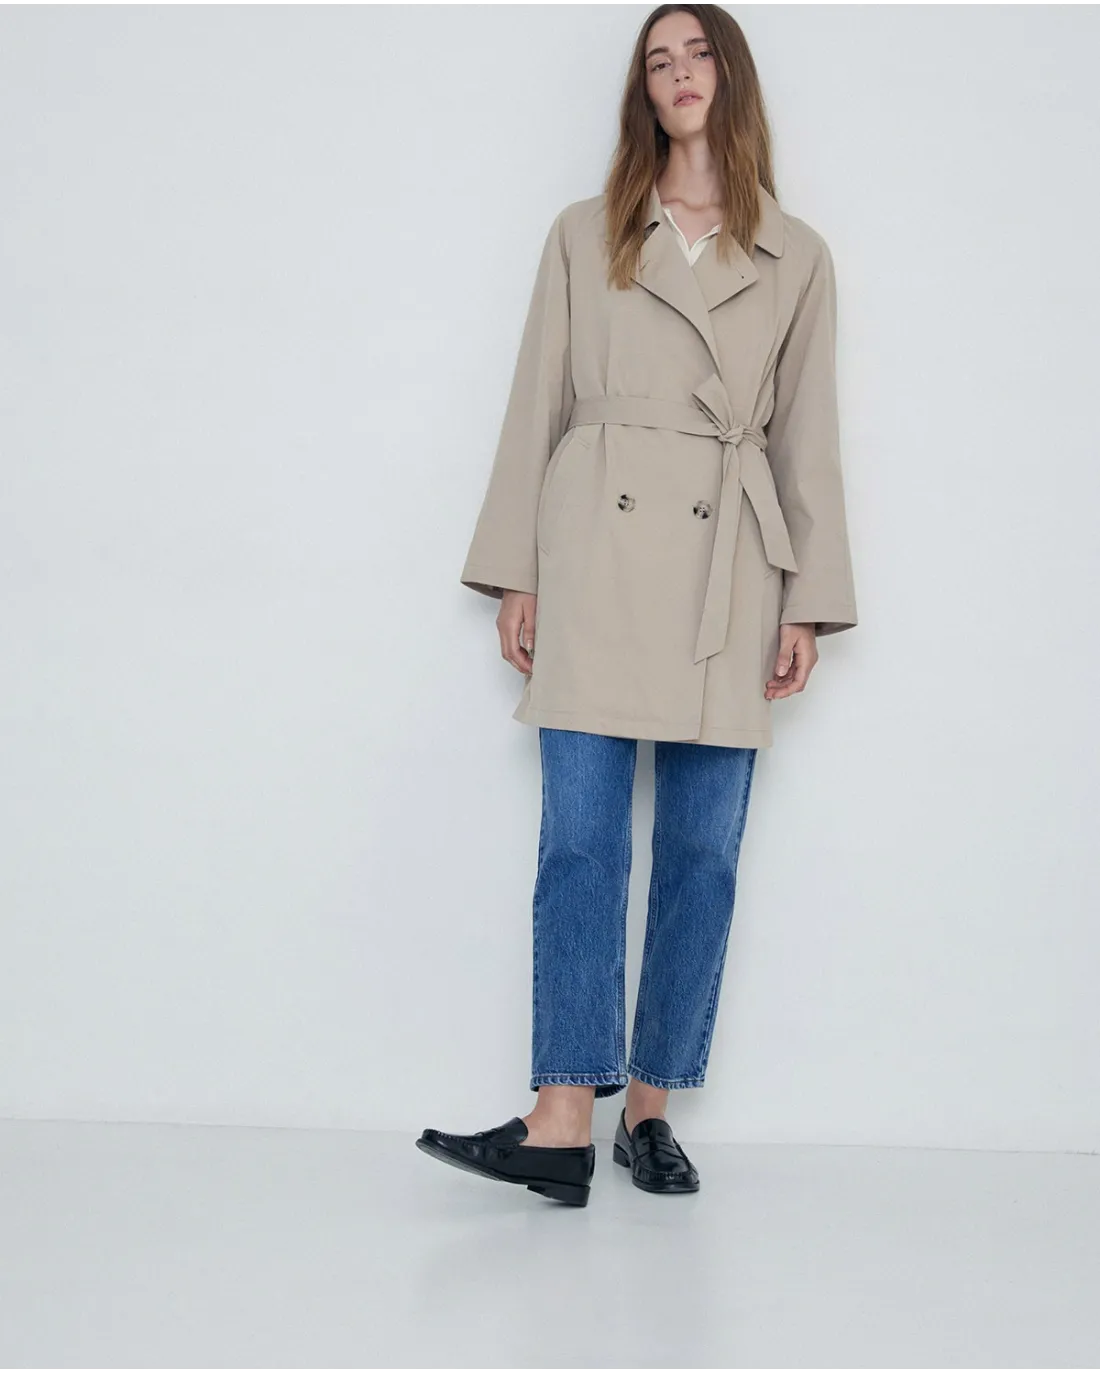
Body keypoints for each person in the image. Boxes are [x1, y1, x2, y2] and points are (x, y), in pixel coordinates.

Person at [416, 1, 858, 1207]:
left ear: (729, 75)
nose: (677, 73)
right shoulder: (586, 232)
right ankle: (561, 1117)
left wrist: (807, 603)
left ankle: (649, 1110)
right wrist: (517, 569)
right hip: (594, 550)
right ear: (642, 93)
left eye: (695, 52)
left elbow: (806, 437)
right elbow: (536, 401)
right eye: (657, 61)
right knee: (578, 841)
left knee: (702, 853)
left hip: (729, 565)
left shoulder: (795, 254)